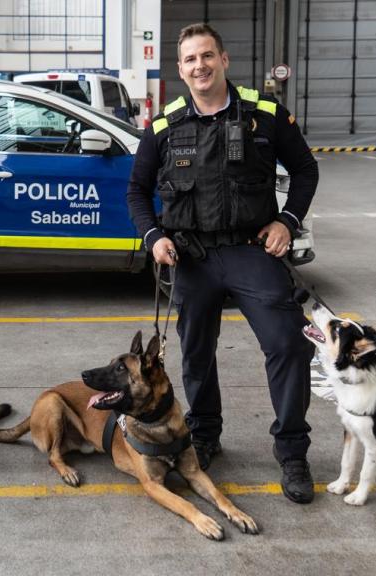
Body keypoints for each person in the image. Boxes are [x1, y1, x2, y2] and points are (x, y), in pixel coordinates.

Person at [126, 23, 319, 504]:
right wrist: (153, 237)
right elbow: (136, 191)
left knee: (289, 345)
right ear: (181, 68)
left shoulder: (265, 113)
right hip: (192, 256)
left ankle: (292, 451)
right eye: (190, 60)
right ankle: (205, 434)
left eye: (207, 56)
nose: (200, 66)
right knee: (194, 354)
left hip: (252, 251)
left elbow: (305, 169)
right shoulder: (165, 125)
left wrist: (287, 222)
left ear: (224, 59)